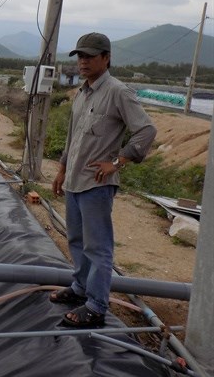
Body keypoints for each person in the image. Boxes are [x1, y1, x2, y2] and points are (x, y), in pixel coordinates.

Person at [50, 32, 157, 327]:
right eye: (80, 56)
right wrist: (61, 170)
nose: (83, 62)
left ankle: (96, 305)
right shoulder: (83, 92)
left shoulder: (118, 92)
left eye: (89, 56)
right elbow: (74, 137)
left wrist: (117, 162)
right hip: (74, 179)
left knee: (98, 247)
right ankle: (80, 288)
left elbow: (146, 130)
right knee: (76, 239)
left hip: (97, 183)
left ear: (106, 58)